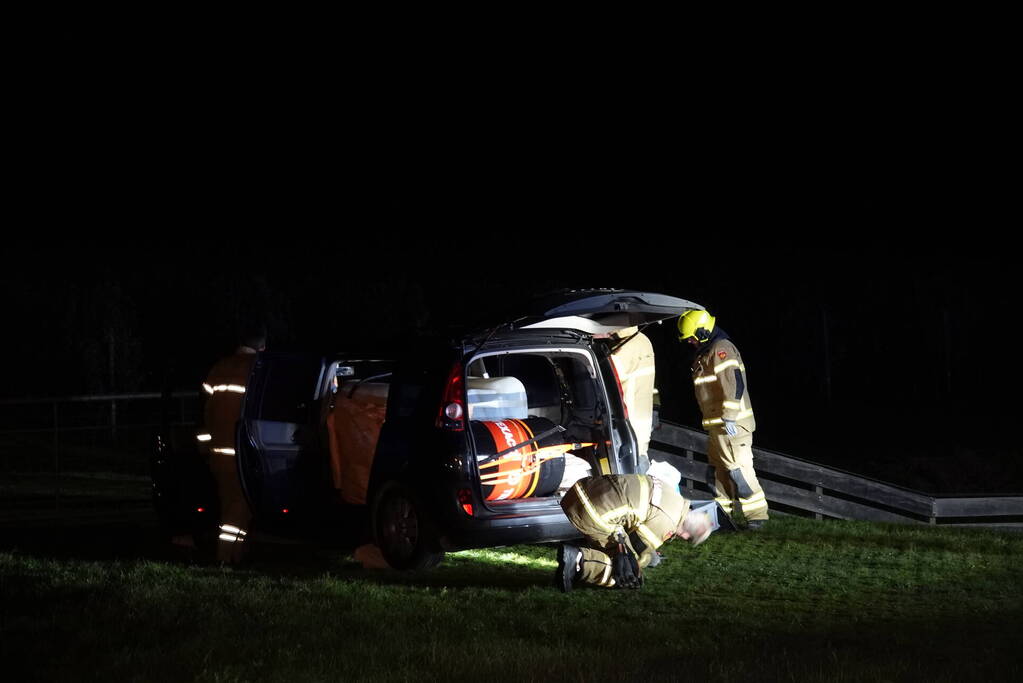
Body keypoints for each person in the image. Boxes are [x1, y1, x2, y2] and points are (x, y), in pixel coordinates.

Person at [677, 309, 768, 529]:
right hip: (718, 426)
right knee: (718, 471)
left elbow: (733, 385)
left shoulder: (721, 350)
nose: (690, 341)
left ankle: (757, 517)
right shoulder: (706, 352)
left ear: (702, 330)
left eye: (692, 337)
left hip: (733, 425)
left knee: (739, 470)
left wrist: (729, 417)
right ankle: (722, 515)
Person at [556, 473, 713, 591]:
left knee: (620, 540)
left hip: (582, 489)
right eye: (688, 538)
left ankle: (583, 550)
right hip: (592, 512)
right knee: (628, 569)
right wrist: (649, 558)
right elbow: (638, 547)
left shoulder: (674, 496)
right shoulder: (667, 523)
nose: (683, 537)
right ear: (687, 533)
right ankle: (578, 561)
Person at [200, 326, 266, 563]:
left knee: (229, 505)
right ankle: (227, 559)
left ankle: (233, 556)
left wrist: (205, 447)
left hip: (218, 454)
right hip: (241, 454)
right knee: (238, 509)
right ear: (262, 347)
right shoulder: (256, 369)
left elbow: (206, 411)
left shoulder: (218, 368)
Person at [609, 326, 657, 472]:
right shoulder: (644, 340)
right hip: (643, 420)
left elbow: (608, 375)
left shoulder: (625, 347)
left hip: (628, 421)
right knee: (640, 457)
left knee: (630, 469)